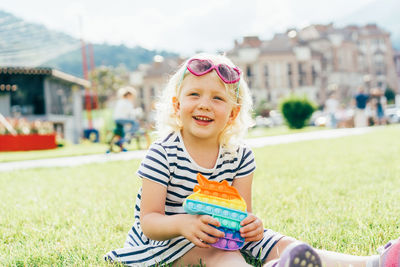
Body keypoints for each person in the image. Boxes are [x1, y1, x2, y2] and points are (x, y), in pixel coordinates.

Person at [105, 53, 400, 267]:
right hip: (168, 242)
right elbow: (149, 222)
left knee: (283, 243)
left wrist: (252, 225)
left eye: (218, 98)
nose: (205, 104)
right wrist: (183, 224)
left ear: (233, 113)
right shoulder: (163, 153)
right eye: (194, 94)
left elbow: (243, 214)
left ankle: (373, 262)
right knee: (224, 256)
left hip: (223, 233)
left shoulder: (241, 155)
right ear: (177, 104)